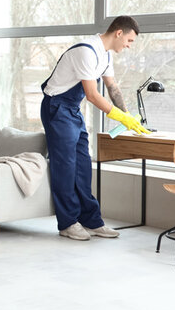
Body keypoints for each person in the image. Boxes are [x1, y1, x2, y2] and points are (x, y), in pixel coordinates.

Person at [40, 15, 150, 241]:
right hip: (57, 107)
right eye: (129, 41)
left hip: (71, 109)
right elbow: (91, 95)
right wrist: (120, 116)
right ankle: (68, 223)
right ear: (118, 32)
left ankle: (91, 221)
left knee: (82, 164)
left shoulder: (105, 54)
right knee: (65, 166)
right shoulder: (86, 51)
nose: (128, 46)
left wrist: (127, 117)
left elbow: (113, 87)